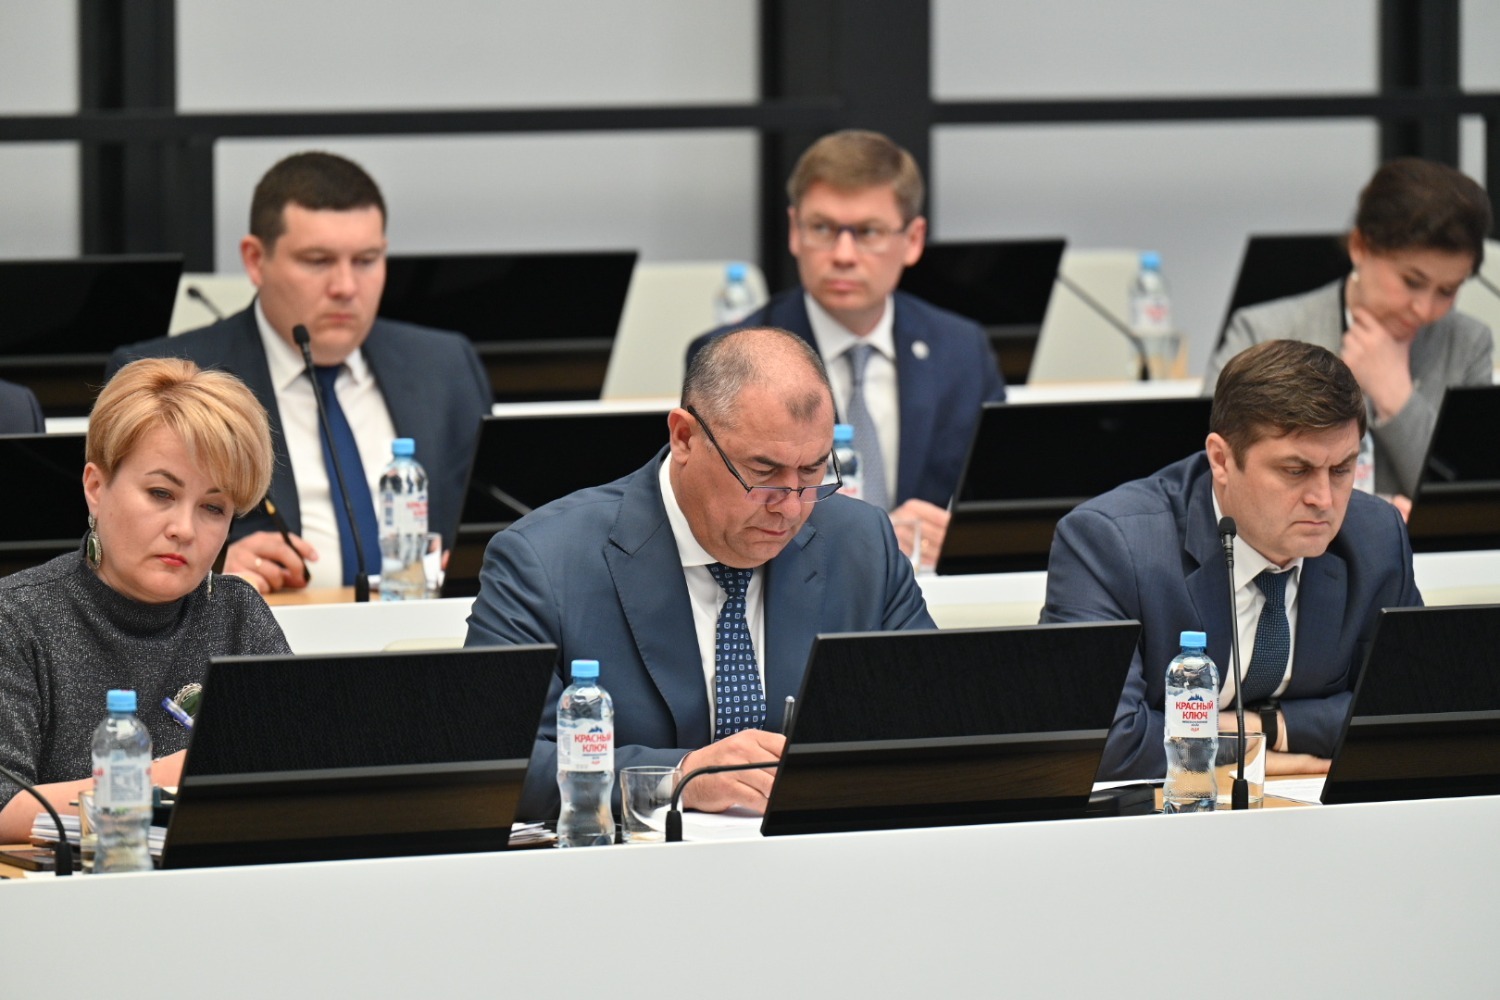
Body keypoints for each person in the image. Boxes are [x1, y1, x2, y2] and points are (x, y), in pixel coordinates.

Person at [466, 326, 934, 819]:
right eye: (763, 472)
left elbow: (934, 721)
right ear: (684, 437)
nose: (791, 507)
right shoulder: (543, 560)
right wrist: (679, 777)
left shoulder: (862, 544)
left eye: (813, 471)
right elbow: (496, 763)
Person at [108, 151, 492, 594]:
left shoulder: (444, 365)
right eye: (318, 260)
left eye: (366, 260)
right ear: (256, 260)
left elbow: (492, 526)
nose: (345, 287)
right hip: (268, 627)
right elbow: (111, 540)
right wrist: (214, 564)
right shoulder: (169, 377)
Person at [1043, 340, 1421, 781]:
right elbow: (1100, 739)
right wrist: (1254, 760)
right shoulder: (1111, 544)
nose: (1324, 499)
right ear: (1221, 460)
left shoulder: (1375, 538)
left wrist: (1270, 728)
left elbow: (1410, 708)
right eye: (1295, 471)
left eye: (1341, 470)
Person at [0, 358, 290, 842]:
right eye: (160, 493)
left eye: (213, 507)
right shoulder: (17, 618)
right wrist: (167, 777)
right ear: (96, 487)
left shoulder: (238, 614)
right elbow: (2, 805)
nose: (184, 529)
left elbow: (296, 772)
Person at [686, 130, 1006, 565]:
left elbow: (993, 504)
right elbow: (716, 509)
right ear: (795, 231)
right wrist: (871, 537)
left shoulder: (961, 350)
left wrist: (956, 535)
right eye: (822, 228)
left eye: (868, 232)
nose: (843, 255)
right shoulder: (728, 357)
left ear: (913, 240)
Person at [1204, 158, 1493, 507]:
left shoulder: (1467, 344)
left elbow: (1471, 492)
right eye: (1412, 282)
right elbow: (1210, 475)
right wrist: (1369, 519)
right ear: (1360, 247)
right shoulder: (1262, 332)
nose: (1425, 308)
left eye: (1447, 291)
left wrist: (1398, 399)